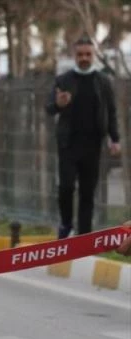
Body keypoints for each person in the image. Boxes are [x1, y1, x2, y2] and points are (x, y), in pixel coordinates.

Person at [45, 36, 121, 239]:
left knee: (88, 191)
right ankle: (66, 224)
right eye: (80, 55)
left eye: (88, 54)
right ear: (74, 56)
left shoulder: (103, 81)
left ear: (94, 55)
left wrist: (115, 139)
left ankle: (85, 236)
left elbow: (111, 112)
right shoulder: (64, 80)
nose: (84, 58)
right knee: (66, 187)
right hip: (68, 144)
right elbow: (49, 108)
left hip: (93, 144)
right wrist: (59, 105)